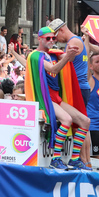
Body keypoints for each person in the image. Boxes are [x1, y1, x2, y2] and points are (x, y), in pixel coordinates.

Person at [29, 26, 90, 170]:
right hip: (45, 98)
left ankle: (75, 159)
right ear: (39, 39)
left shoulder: (54, 53)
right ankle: (55, 158)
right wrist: (68, 56)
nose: (51, 41)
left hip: (56, 97)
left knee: (85, 121)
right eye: (47, 38)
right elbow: (53, 69)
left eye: (53, 38)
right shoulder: (35, 56)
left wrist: (78, 46)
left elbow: (72, 59)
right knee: (67, 120)